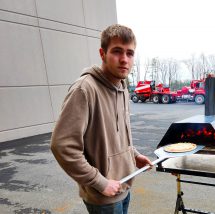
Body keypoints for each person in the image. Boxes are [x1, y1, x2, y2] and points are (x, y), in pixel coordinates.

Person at [51, 24, 153, 214]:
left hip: (123, 186)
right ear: (102, 53)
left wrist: (134, 155)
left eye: (130, 53)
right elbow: (62, 145)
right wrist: (99, 182)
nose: (124, 59)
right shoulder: (84, 89)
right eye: (117, 51)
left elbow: (118, 135)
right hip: (103, 196)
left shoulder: (122, 88)